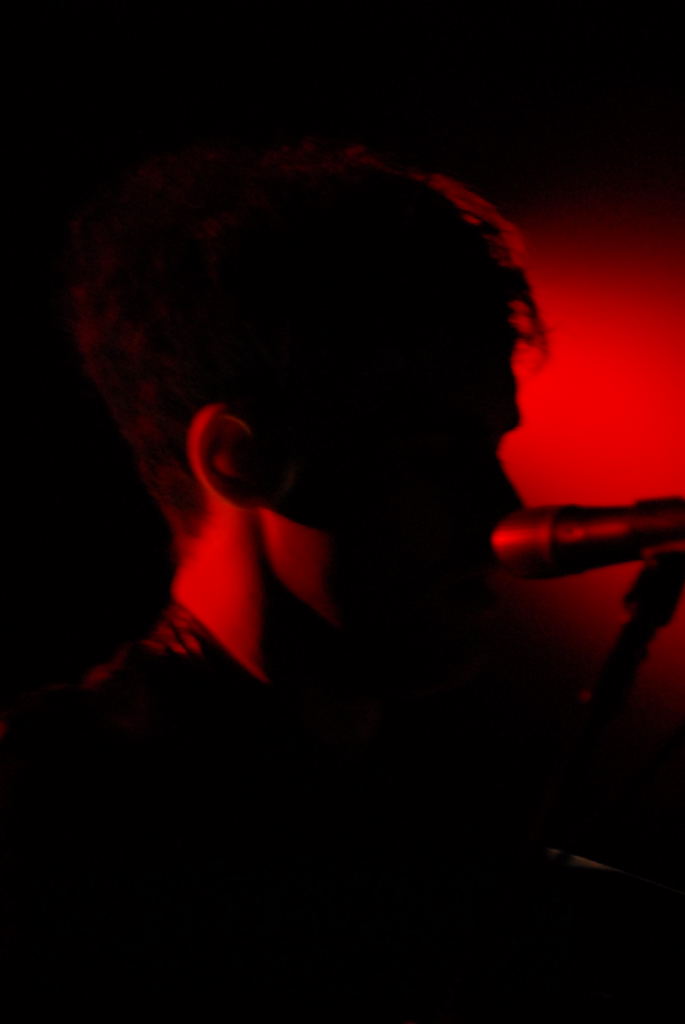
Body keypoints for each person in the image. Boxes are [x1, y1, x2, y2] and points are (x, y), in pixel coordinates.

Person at [1, 138, 555, 1018]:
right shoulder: (51, 821)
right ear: (240, 458)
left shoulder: (444, 823)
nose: (501, 510)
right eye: (437, 453)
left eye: (491, 447)